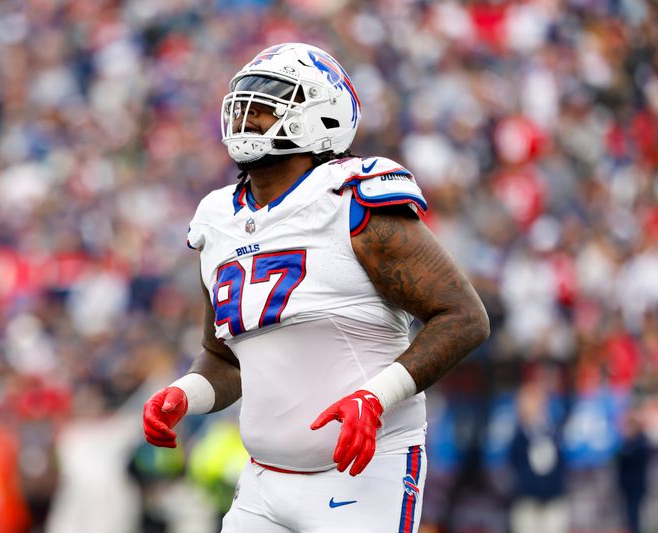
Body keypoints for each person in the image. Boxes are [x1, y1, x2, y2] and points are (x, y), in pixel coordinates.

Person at [142, 42, 490, 533]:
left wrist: (375, 397)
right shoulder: (217, 219)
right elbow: (223, 358)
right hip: (262, 481)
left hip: (363, 471)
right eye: (244, 106)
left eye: (266, 108)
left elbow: (463, 317)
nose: (248, 119)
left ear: (322, 117)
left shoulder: (352, 201)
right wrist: (185, 394)